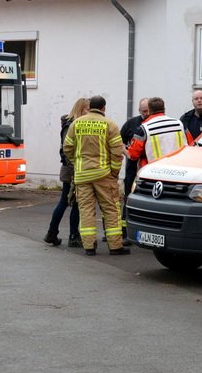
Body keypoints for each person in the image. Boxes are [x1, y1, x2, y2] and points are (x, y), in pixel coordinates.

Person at [63, 95, 127, 256]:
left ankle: (89, 247)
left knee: (86, 210)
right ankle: (115, 246)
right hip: (104, 174)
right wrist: (114, 172)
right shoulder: (110, 125)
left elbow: (67, 148)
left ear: (90, 106)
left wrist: (77, 164)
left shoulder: (77, 123)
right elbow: (117, 152)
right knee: (111, 209)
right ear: (104, 108)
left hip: (82, 175)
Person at [44, 98, 89, 247]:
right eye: (87, 110)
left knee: (67, 202)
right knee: (71, 202)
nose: (89, 113)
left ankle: (54, 233)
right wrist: (75, 167)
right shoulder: (71, 126)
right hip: (72, 169)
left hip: (71, 168)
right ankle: (71, 236)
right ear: (81, 109)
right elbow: (67, 149)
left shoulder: (70, 124)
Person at [127, 97, 192, 171]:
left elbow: (133, 155)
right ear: (164, 109)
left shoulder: (143, 129)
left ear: (150, 110)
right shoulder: (180, 124)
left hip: (155, 172)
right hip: (180, 170)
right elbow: (191, 146)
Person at [120, 97, 150, 198]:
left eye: (149, 110)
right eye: (144, 111)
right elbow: (120, 141)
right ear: (139, 111)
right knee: (129, 191)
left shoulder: (156, 123)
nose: (147, 113)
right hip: (133, 165)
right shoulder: (131, 123)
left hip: (149, 164)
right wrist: (128, 154)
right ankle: (126, 212)